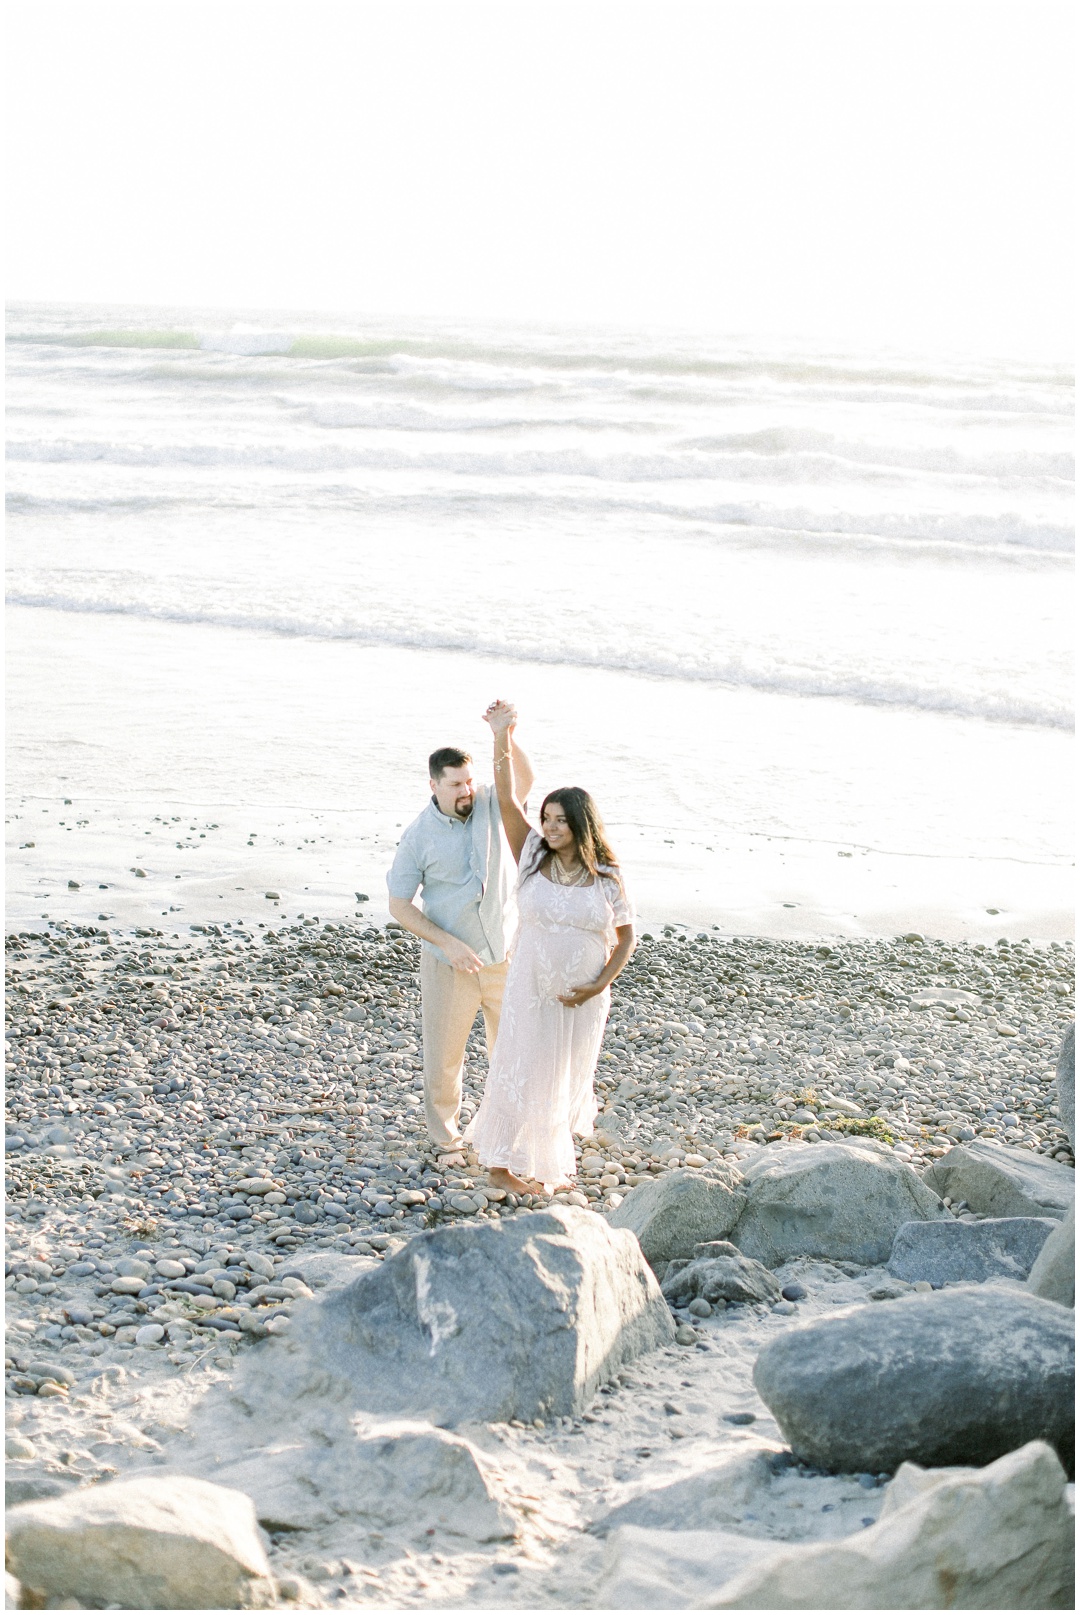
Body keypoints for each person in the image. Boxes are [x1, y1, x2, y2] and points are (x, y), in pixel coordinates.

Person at [467, 699, 635, 1192]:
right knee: (519, 1063)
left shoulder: (607, 874)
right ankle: (499, 1165)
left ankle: (542, 1166)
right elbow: (505, 799)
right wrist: (502, 736)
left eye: (562, 819)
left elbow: (626, 938)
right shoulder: (533, 852)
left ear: (582, 823)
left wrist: (596, 985)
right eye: (548, 817)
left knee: (561, 1076)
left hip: (583, 997)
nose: (552, 825)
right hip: (530, 985)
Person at [386, 712, 534, 1165]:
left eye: (469, 781)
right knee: (445, 1059)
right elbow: (399, 904)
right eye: (456, 784)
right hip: (449, 964)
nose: (467, 790)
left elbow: (525, 779)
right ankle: (447, 1139)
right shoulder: (417, 838)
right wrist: (446, 943)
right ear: (434, 786)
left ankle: (510, 1132)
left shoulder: (492, 802)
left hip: (504, 956)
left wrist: (505, 735)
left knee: (511, 1052)